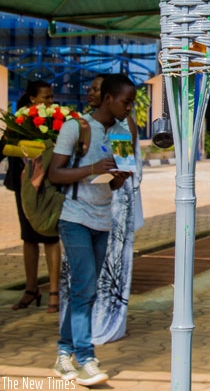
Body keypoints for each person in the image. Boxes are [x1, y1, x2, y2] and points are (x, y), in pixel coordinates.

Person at [49, 73, 136, 385]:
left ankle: (63, 354)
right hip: (73, 218)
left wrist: (119, 177)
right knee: (85, 287)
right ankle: (86, 358)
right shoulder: (77, 127)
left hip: (102, 219)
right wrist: (91, 169)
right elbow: (54, 174)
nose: (129, 108)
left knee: (84, 290)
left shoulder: (122, 133)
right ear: (109, 99)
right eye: (126, 102)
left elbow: (112, 183)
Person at [1, 80, 62, 313]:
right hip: (22, 186)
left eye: (51, 97)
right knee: (28, 237)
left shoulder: (57, 121)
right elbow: (3, 149)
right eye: (46, 97)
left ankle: (54, 292)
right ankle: (31, 289)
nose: (50, 101)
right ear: (32, 99)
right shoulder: (18, 122)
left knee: (49, 235)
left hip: (48, 187)